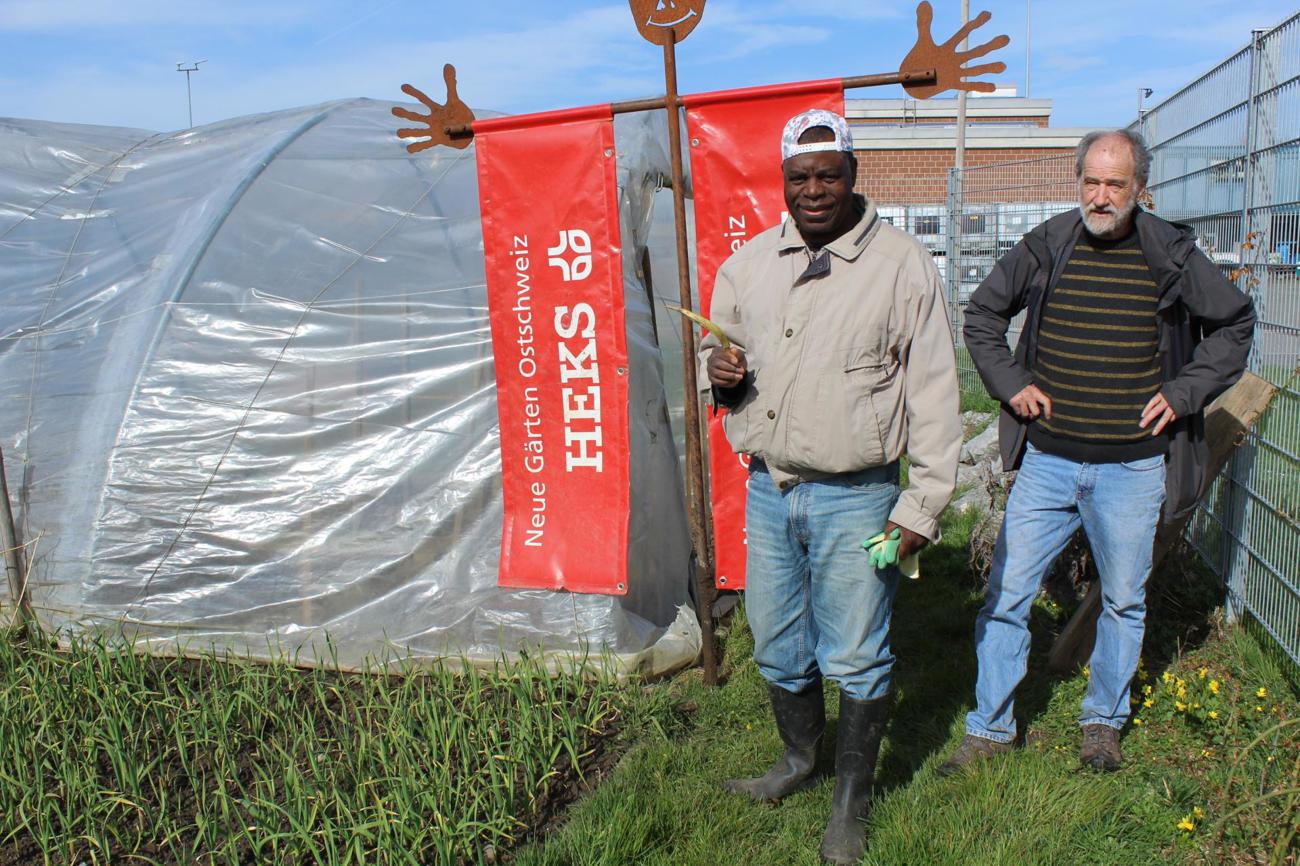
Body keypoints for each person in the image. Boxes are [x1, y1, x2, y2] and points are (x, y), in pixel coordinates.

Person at [945, 129, 1255, 775]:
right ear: (1077, 179)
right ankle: (988, 730)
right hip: (1048, 463)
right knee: (1006, 594)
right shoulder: (1048, 243)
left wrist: (1186, 390)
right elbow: (980, 317)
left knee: (1123, 602)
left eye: (1116, 184)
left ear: (1140, 187)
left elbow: (1234, 322)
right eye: (1091, 180)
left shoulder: (1169, 252)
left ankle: (1101, 726)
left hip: (1133, 469)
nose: (1102, 196)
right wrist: (1010, 384)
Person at [702, 109, 961, 864]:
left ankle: (849, 805)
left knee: (856, 651)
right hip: (770, 490)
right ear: (782, 181)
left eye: (829, 175)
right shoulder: (748, 267)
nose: (814, 190)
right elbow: (716, 353)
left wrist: (923, 505)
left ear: (853, 176)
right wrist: (718, 375)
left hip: (861, 500)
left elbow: (937, 395)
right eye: (799, 177)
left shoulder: (902, 266)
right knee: (778, 644)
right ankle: (799, 760)